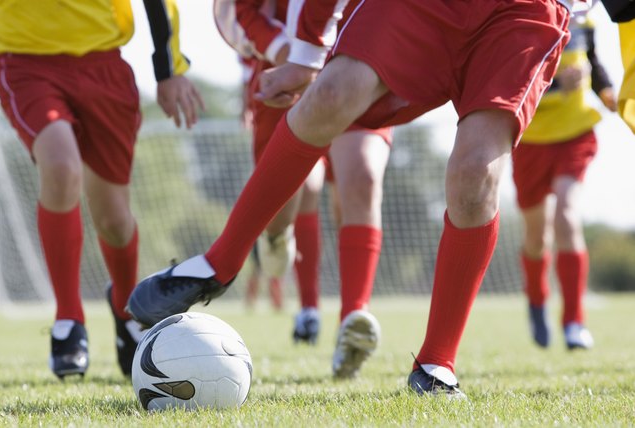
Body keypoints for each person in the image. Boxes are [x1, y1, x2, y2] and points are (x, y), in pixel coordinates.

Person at [128, 0, 571, 397]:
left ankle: (434, 362)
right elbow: (236, 13)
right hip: (334, 41)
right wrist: (300, 54)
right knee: (332, 97)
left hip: (522, 10)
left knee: (472, 177)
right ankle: (219, 263)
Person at [0, 0, 205, 379]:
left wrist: (168, 70)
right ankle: (69, 321)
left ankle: (126, 310)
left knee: (114, 219)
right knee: (62, 168)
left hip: (105, 66)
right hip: (26, 62)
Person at [215, 0, 393, 377]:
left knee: (361, 177)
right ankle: (280, 242)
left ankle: (351, 324)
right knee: (303, 186)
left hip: (360, 62)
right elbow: (238, 13)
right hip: (285, 73)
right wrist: (291, 54)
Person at [512, 7, 615, 351]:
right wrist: (557, 84)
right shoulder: (520, 15)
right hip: (529, 140)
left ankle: (574, 322)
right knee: (536, 235)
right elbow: (514, 81)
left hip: (576, 132)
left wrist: (608, 92)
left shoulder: (583, 16)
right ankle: (537, 300)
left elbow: (593, 63)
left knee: (567, 218)